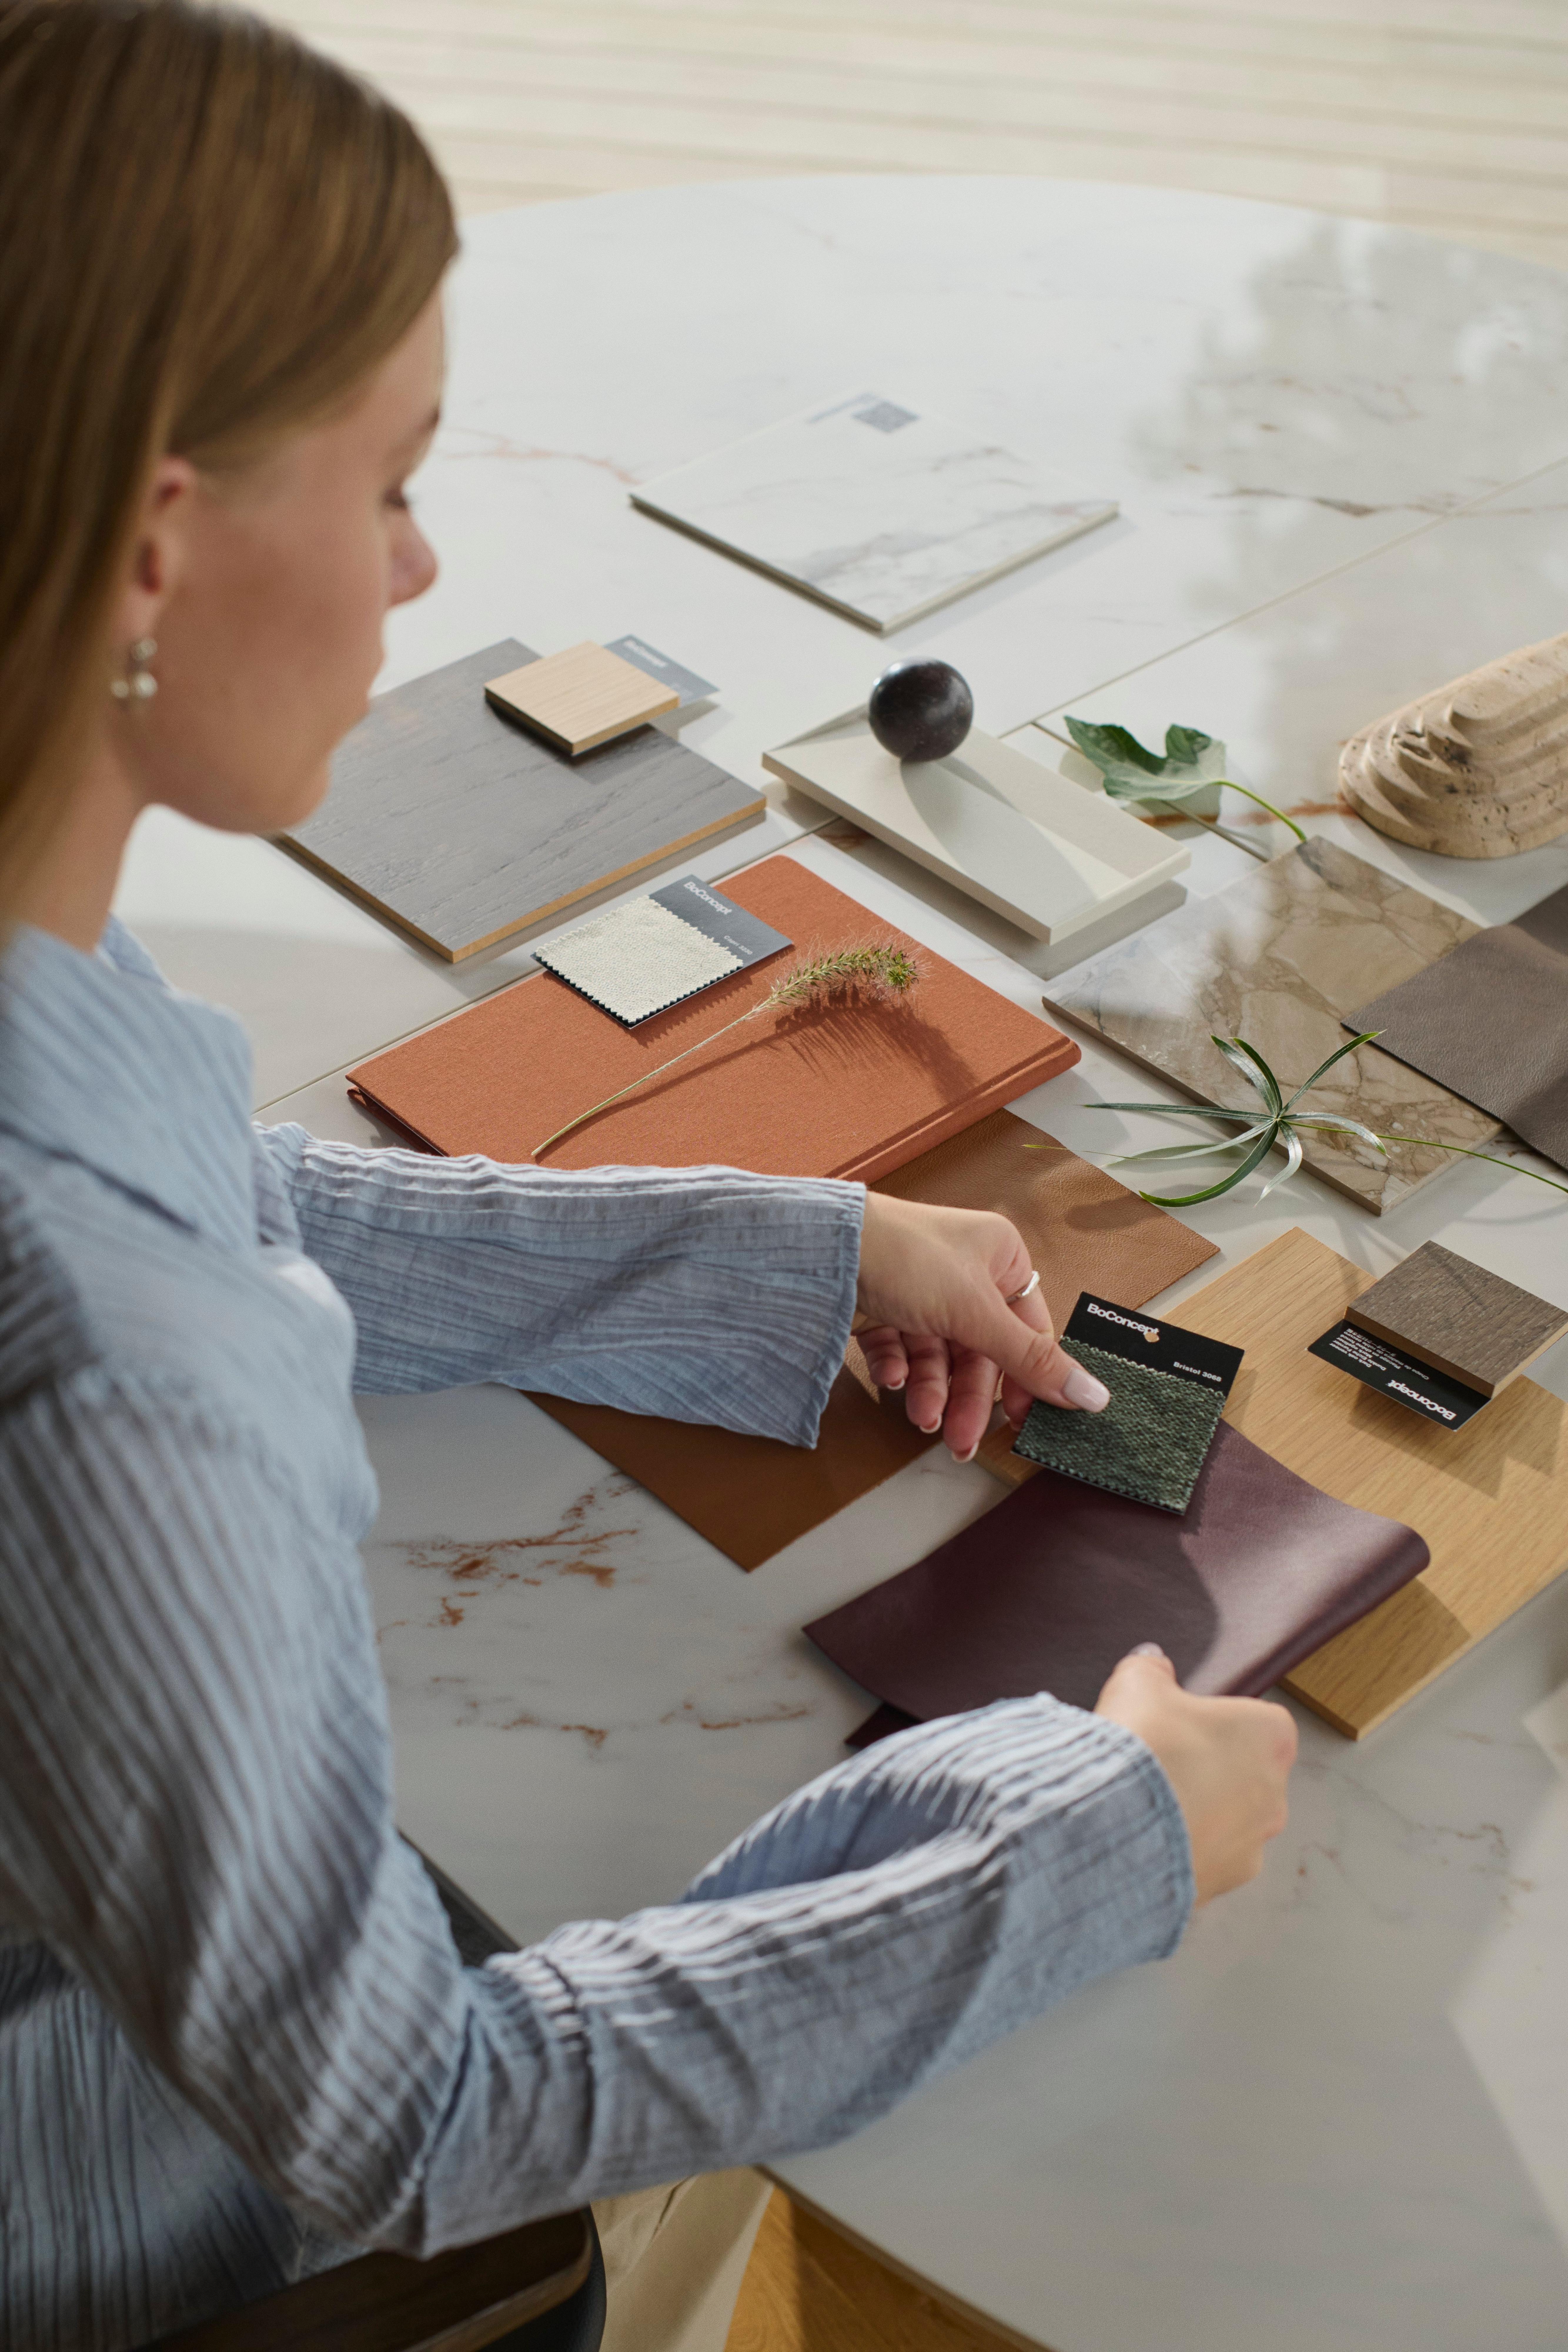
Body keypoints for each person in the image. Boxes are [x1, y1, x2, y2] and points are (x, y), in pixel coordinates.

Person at [0, 5, 1298, 2348]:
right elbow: (404, 2119)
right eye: (392, 479)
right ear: (150, 543)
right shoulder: (114, 1395)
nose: (421, 568)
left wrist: (790, 1253)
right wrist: (1090, 1843)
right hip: (141, 2218)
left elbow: (209, 1192)